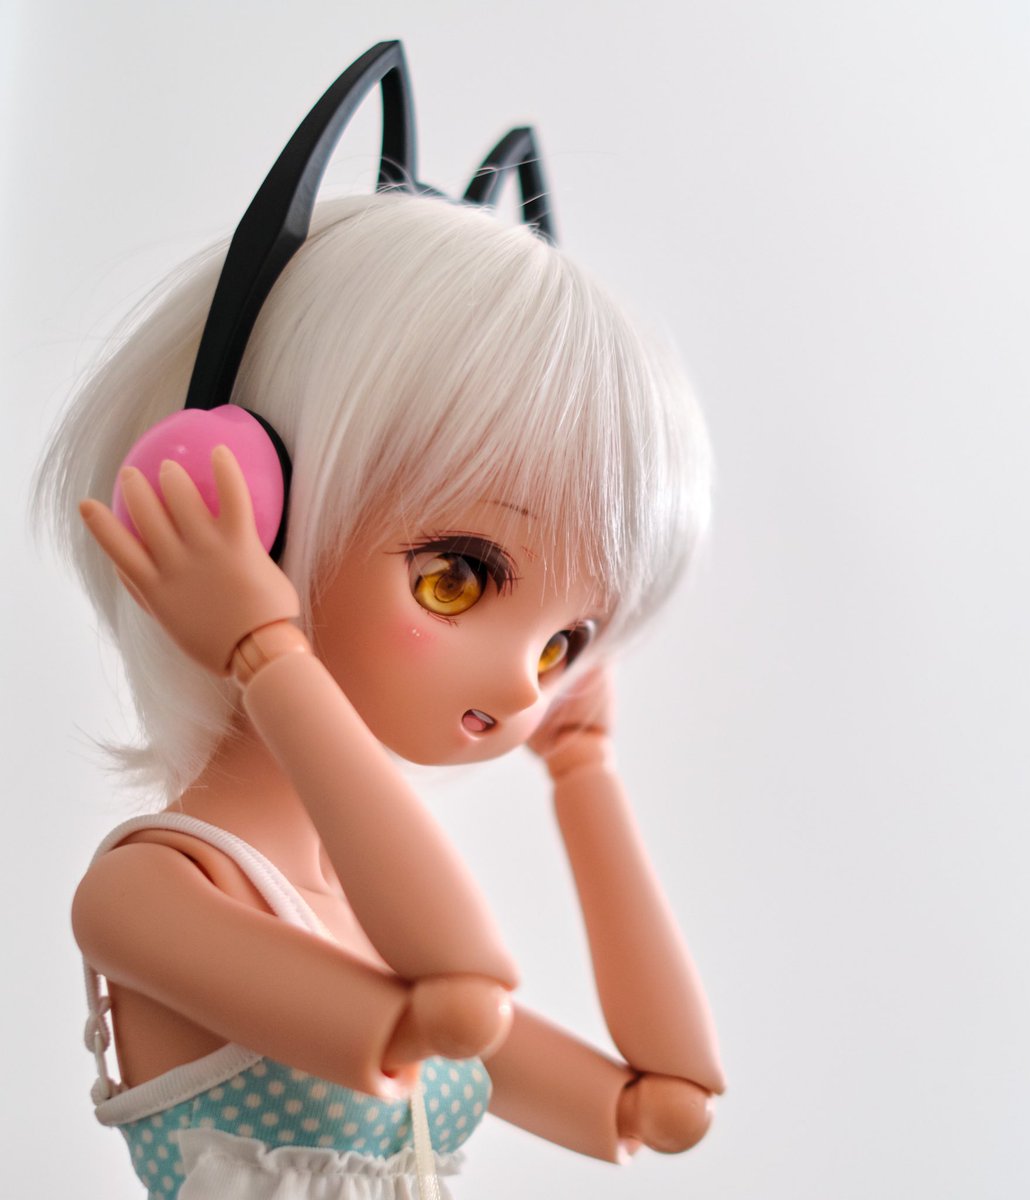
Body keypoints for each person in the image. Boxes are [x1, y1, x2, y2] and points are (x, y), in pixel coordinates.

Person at [36, 45, 724, 1200]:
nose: (525, 683)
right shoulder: (149, 895)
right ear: (245, 506)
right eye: (458, 578)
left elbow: (664, 1103)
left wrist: (584, 773)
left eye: (564, 642)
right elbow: (456, 995)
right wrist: (263, 650)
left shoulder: (365, 904)